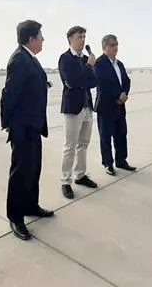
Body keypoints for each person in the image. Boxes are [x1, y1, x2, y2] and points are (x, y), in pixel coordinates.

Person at [0, 19, 53, 241]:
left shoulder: (31, 59)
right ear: (31, 39)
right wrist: (9, 123)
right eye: (40, 36)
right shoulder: (19, 60)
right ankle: (16, 216)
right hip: (22, 127)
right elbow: (9, 94)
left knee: (33, 168)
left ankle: (31, 205)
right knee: (21, 172)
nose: (43, 39)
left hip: (33, 125)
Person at [58, 26, 98, 199]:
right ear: (70, 39)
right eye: (79, 36)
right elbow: (73, 81)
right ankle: (65, 181)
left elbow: (92, 82)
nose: (83, 39)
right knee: (70, 145)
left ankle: (80, 175)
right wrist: (88, 68)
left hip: (87, 106)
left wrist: (87, 71)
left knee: (84, 143)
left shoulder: (84, 59)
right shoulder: (65, 59)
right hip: (73, 108)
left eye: (84, 36)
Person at [93, 34, 137, 176]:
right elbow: (103, 84)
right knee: (105, 137)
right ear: (104, 47)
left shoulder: (119, 64)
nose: (115, 47)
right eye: (112, 45)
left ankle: (121, 161)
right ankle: (108, 163)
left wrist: (125, 94)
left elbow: (126, 81)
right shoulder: (99, 63)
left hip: (120, 106)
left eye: (116, 44)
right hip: (106, 106)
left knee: (121, 134)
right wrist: (118, 95)